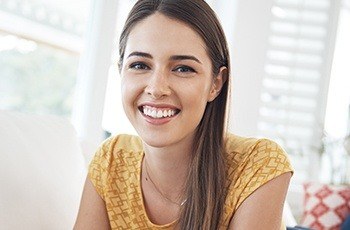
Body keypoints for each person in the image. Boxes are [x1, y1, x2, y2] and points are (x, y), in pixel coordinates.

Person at [74, 0, 293, 229]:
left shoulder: (259, 164)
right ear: (121, 71)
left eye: (183, 69)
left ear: (215, 84)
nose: (156, 88)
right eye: (140, 65)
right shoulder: (111, 161)